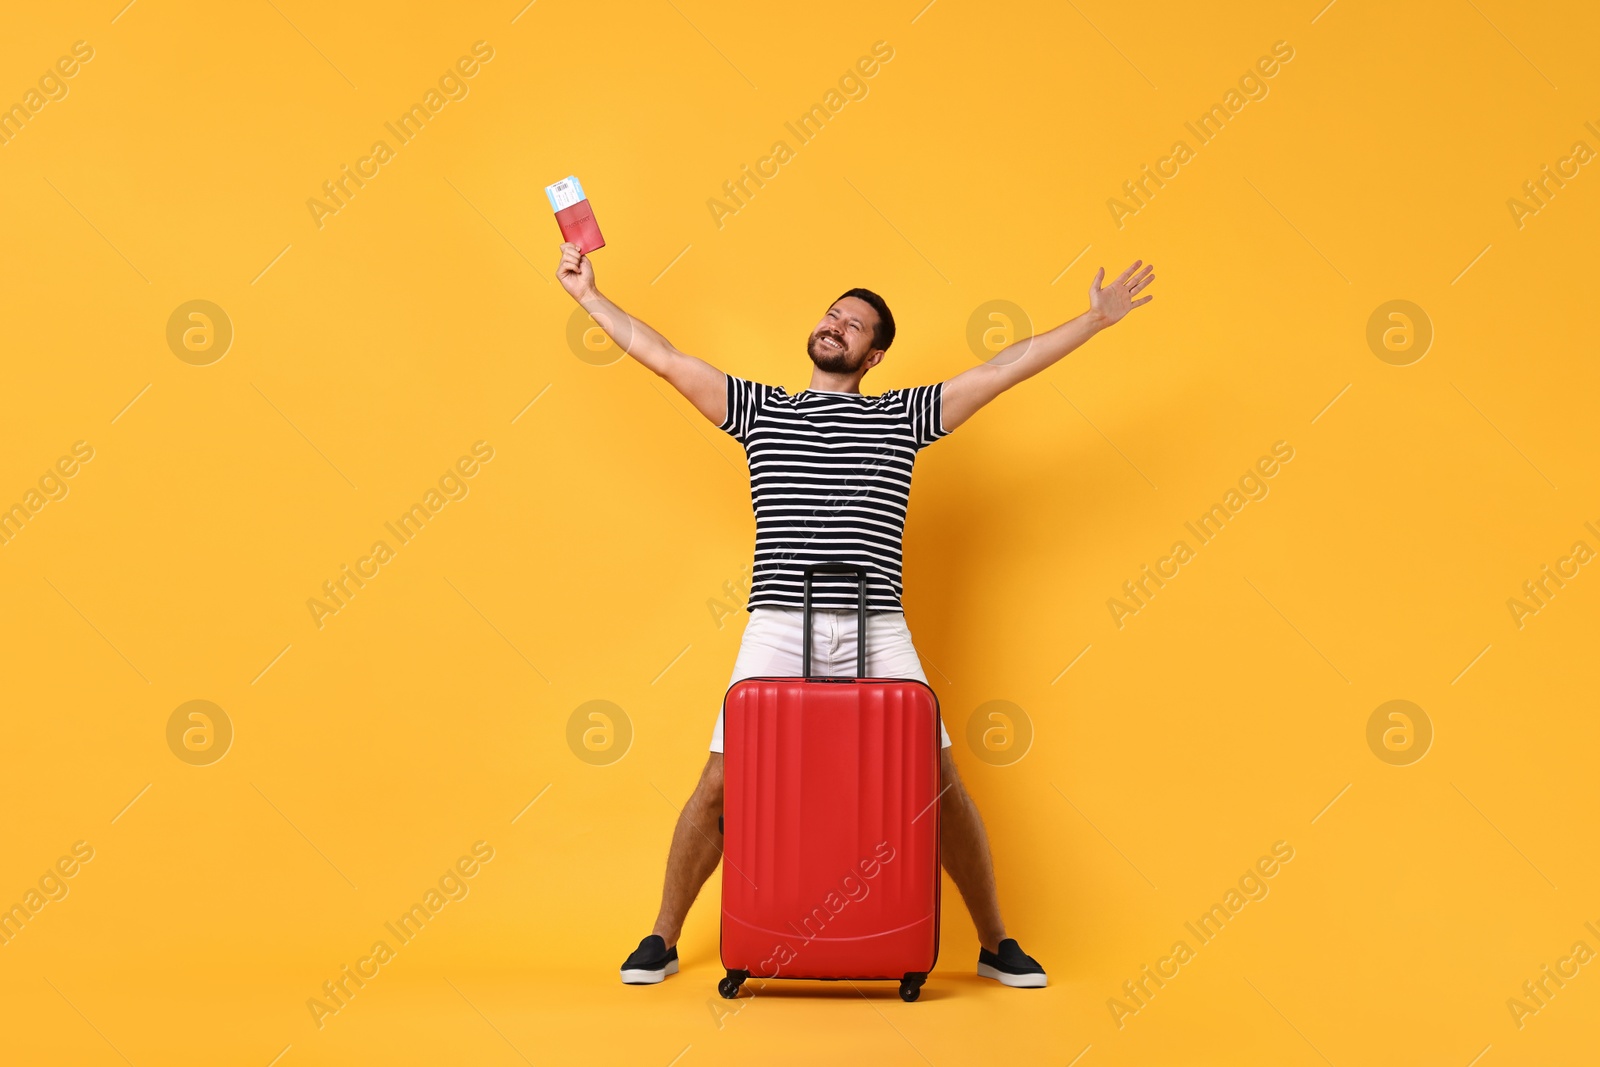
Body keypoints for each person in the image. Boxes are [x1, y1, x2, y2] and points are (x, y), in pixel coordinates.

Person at [556, 240, 1154, 990]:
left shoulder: (906, 417)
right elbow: (668, 357)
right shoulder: (757, 409)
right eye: (834, 315)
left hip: (877, 628)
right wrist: (588, 297)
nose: (837, 326)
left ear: (872, 356)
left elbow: (1001, 371)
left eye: (856, 325)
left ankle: (996, 942)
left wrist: (1092, 322)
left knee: (939, 783)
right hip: (778, 620)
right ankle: (663, 936)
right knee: (718, 785)